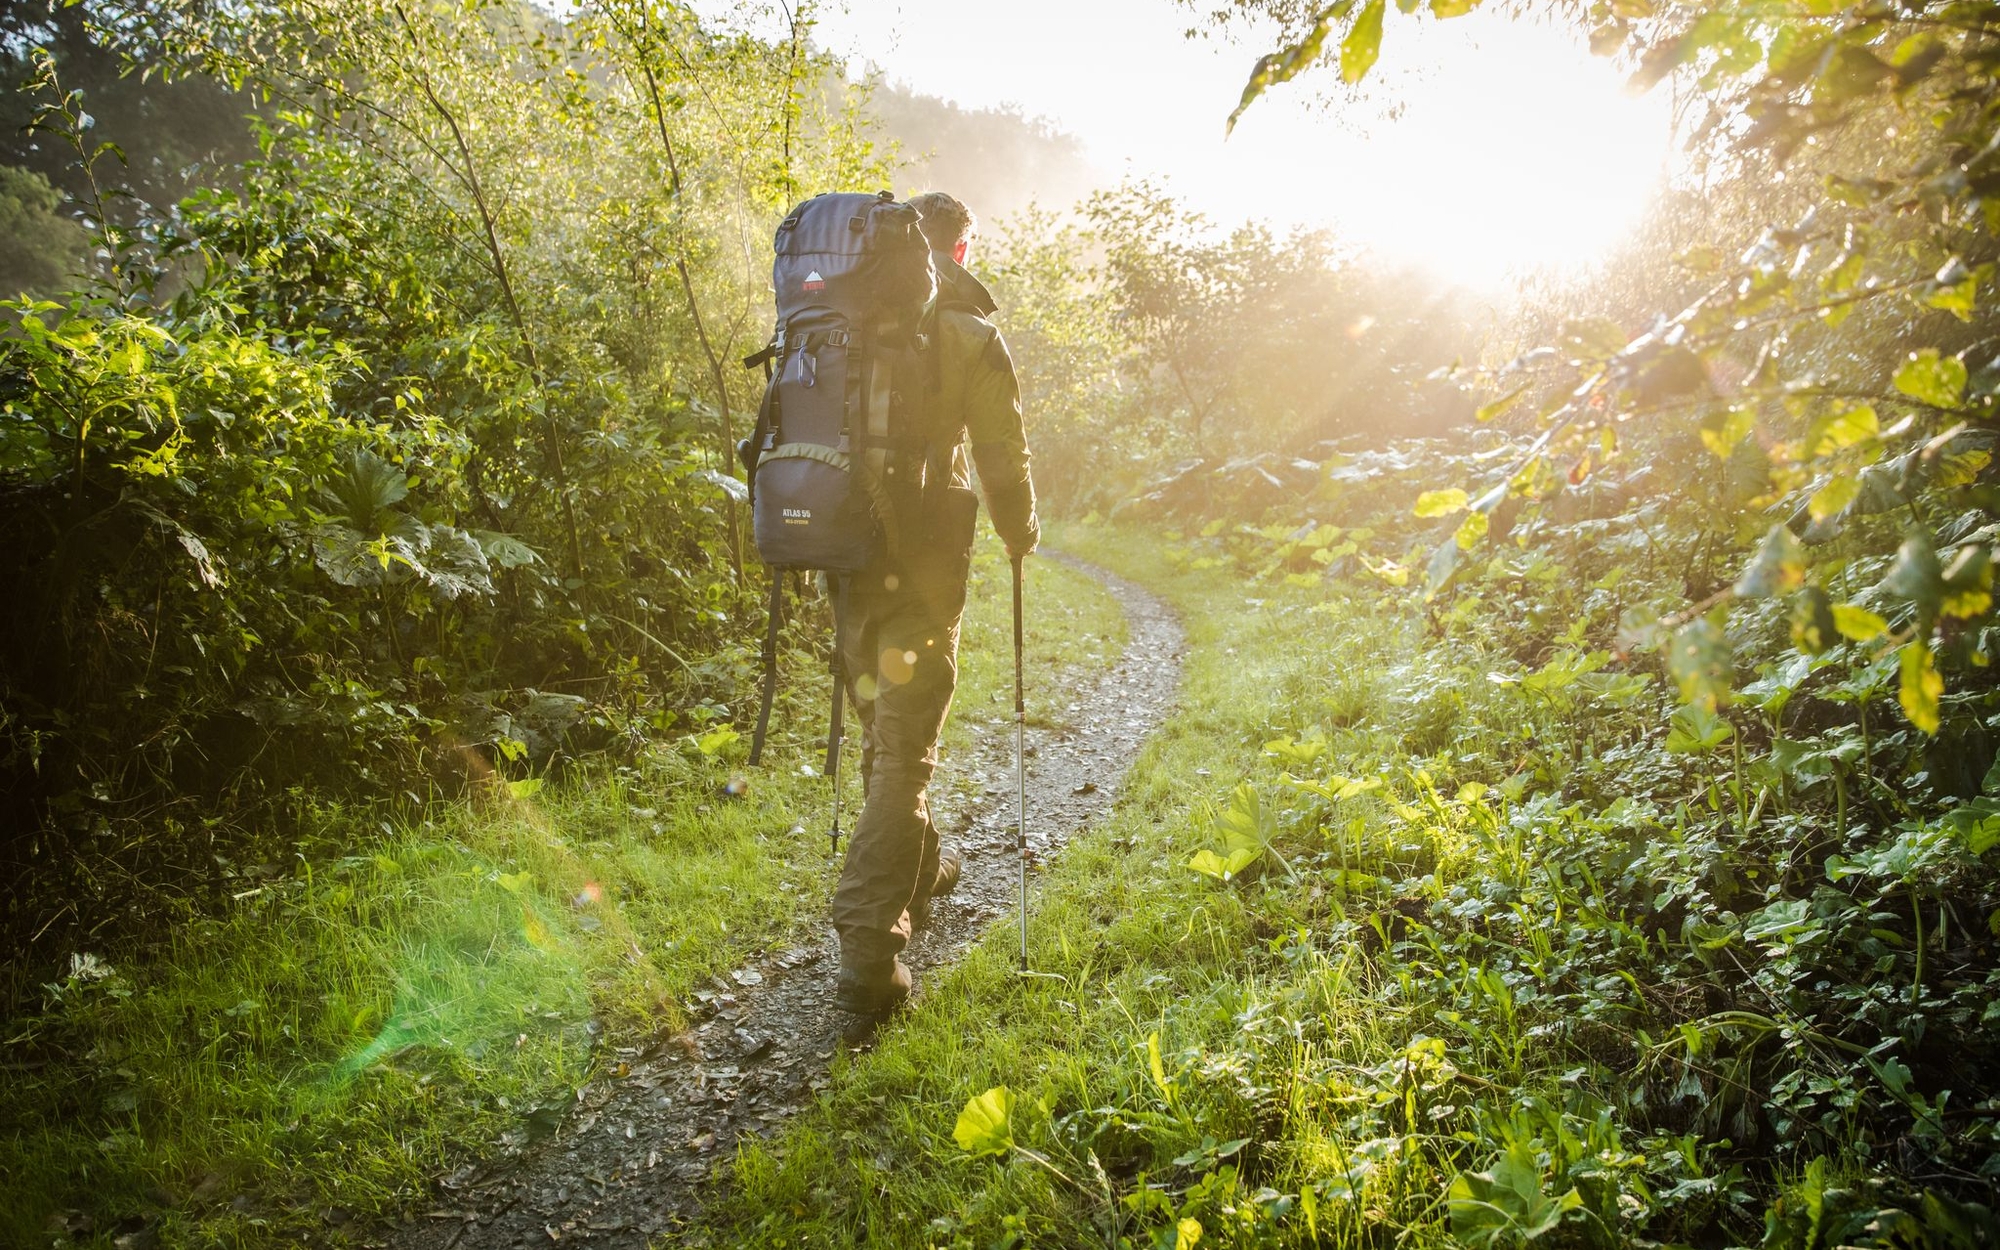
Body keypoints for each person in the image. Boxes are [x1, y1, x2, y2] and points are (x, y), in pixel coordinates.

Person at [831, 190, 1040, 1017]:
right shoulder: (966, 335)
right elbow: (1001, 457)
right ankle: (869, 952)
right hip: (919, 564)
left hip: (839, 561)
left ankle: (922, 870)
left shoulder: (838, 328)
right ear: (957, 253)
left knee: (888, 724)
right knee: (904, 752)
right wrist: (1022, 536)